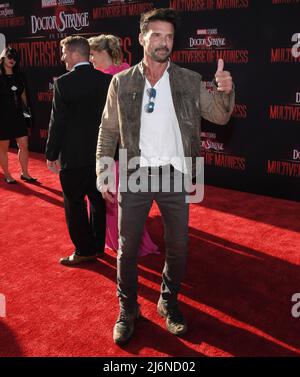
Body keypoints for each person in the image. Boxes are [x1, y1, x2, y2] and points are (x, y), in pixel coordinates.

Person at [96, 8, 235, 345]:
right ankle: (127, 310)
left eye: (169, 36)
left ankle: (168, 302)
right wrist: (103, 170)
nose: (163, 42)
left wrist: (226, 89)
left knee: (179, 246)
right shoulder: (122, 81)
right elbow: (108, 129)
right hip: (134, 173)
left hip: (175, 173)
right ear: (142, 37)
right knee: (126, 251)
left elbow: (219, 115)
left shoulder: (187, 79)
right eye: (156, 35)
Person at [88, 34, 159, 257]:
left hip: (123, 149)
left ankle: (128, 241)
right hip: (104, 144)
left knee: (120, 198)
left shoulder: (124, 76)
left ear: (103, 53)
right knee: (109, 196)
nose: (90, 59)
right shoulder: (95, 77)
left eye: (92, 54)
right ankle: (112, 239)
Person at [45, 36, 111, 266]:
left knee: (74, 203)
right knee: (98, 200)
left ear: (74, 54)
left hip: (73, 157)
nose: (62, 57)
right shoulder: (107, 80)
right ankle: (98, 247)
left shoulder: (63, 83)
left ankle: (84, 250)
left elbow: (58, 122)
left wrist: (51, 154)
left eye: (64, 53)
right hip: (102, 154)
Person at [0, 47, 37, 184]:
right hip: (2, 117)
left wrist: (28, 114)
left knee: (24, 144)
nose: (12, 60)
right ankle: (8, 174)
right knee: (3, 147)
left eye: (15, 58)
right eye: (9, 56)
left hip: (17, 115)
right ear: (3, 58)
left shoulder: (20, 76)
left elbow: (24, 97)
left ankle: (25, 173)